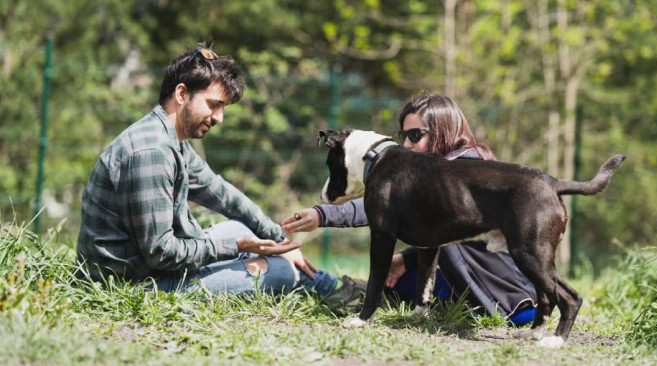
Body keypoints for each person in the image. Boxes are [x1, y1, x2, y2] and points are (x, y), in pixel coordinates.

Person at [77, 42, 346, 298]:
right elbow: (160, 252)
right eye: (214, 104)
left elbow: (222, 194)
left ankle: (329, 286)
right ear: (182, 94)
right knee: (279, 270)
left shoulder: (170, 140)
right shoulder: (152, 152)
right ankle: (329, 288)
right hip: (133, 284)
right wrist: (237, 247)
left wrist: (279, 241)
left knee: (238, 228)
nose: (219, 118)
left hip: (153, 270)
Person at [282, 94, 538, 326]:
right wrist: (406, 259)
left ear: (443, 130)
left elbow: (382, 204)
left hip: (511, 300)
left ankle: (350, 291)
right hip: (487, 287)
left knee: (391, 286)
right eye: (404, 136)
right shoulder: (433, 175)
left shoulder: (468, 172)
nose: (407, 144)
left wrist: (325, 214)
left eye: (415, 135)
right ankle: (357, 290)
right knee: (395, 283)